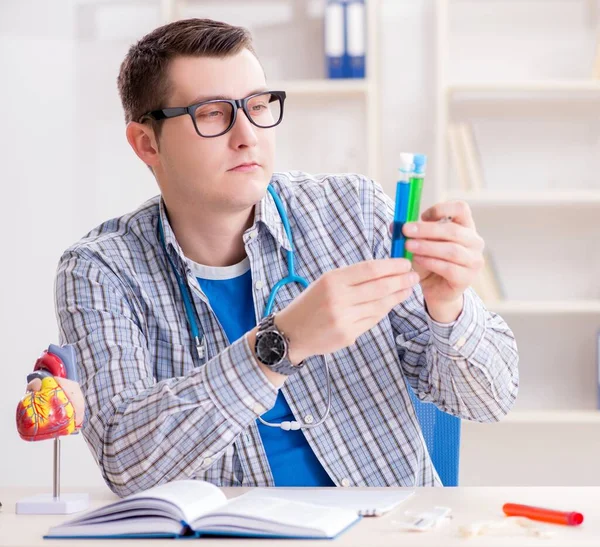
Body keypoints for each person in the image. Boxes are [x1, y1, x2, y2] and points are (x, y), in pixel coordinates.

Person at [55, 18, 519, 497]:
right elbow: (128, 466)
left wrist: (449, 308)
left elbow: (491, 400)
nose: (247, 135)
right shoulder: (99, 270)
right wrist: (280, 343)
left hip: (386, 531)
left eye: (258, 106)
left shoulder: (351, 212)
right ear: (146, 143)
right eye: (213, 113)